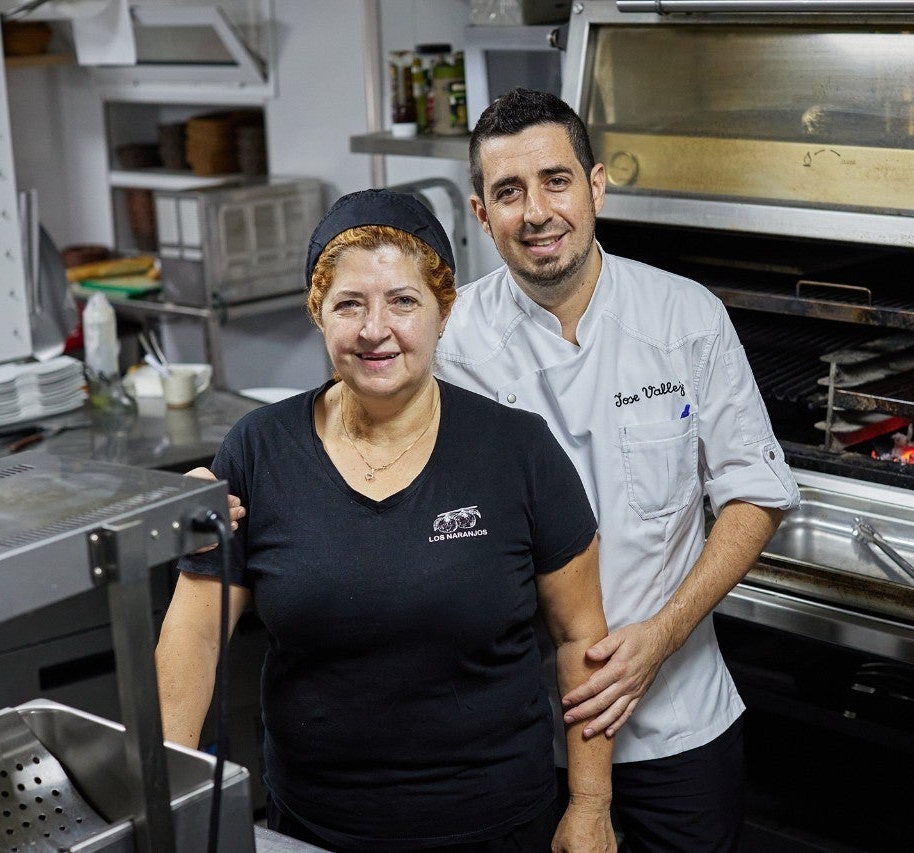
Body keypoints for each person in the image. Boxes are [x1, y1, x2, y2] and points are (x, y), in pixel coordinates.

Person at [155, 188, 617, 852]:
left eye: (403, 301)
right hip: (314, 827)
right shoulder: (259, 450)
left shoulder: (517, 450)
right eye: (350, 304)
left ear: (443, 310)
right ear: (319, 312)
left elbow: (582, 638)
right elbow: (195, 633)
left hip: (498, 824)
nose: (377, 329)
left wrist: (591, 802)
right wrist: (175, 794)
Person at [434, 88, 801, 852]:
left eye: (555, 181)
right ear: (480, 215)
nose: (536, 211)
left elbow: (753, 495)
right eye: (509, 192)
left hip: (680, 721)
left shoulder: (684, 315)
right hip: (519, 734)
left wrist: (659, 637)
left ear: (595, 186)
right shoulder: (448, 342)